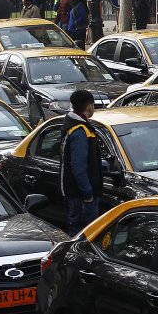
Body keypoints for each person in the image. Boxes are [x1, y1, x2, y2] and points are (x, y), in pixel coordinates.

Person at [61, 89, 101, 236]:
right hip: (81, 196)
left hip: (77, 193)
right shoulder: (80, 130)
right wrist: (88, 193)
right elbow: (78, 166)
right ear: (89, 106)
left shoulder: (76, 126)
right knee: (84, 234)